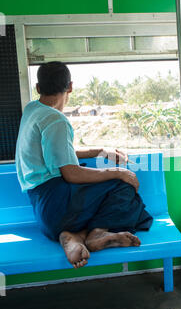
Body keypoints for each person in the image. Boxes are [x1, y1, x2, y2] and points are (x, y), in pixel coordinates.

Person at [15, 62, 153, 269]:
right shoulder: (56, 120)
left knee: (108, 185)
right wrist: (119, 172)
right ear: (70, 87)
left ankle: (73, 236)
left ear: (38, 88)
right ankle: (97, 233)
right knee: (125, 187)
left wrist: (98, 151)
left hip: (44, 212)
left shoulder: (33, 110)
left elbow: (58, 155)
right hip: (60, 207)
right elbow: (71, 173)